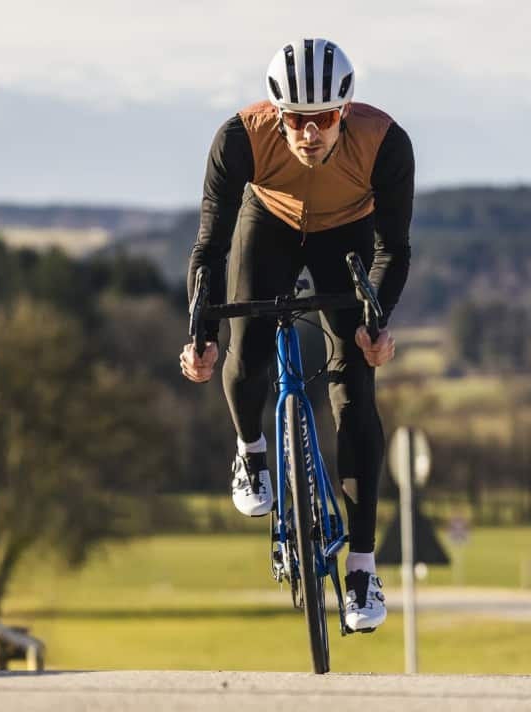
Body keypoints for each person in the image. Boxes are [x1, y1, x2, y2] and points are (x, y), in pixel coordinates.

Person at [179, 38, 414, 632]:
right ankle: (251, 450)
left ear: (345, 112)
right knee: (247, 343)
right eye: (296, 121)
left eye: (324, 120)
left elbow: (393, 249)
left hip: (349, 233)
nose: (309, 135)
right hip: (271, 221)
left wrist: (375, 322)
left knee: (353, 387)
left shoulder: (385, 143)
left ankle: (361, 569)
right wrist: (200, 331)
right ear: (276, 114)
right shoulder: (239, 137)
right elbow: (209, 245)